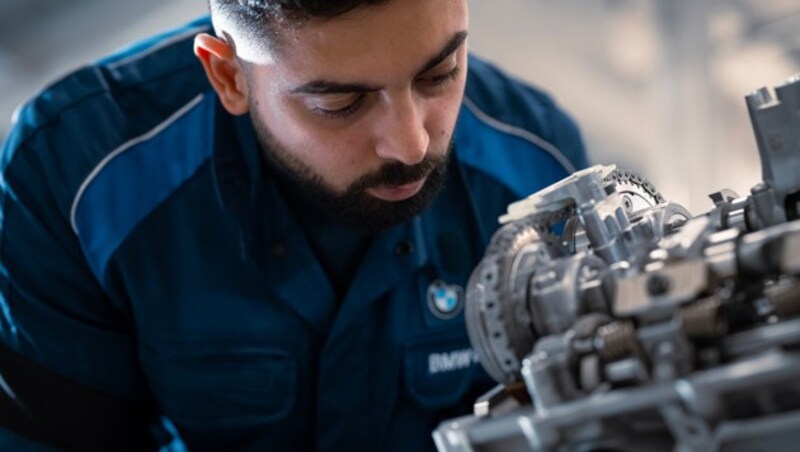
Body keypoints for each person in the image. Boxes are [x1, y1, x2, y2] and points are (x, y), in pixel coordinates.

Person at [0, 0, 587, 450]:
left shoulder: (537, 164)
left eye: (440, 73)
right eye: (340, 105)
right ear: (229, 77)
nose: (411, 143)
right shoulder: (76, 176)